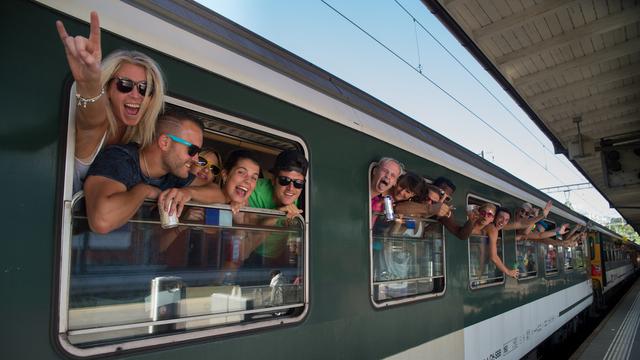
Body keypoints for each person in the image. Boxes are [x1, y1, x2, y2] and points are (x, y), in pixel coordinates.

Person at [57, 12, 166, 193]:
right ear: (107, 89)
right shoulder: (98, 126)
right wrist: (90, 83)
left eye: (144, 88)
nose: (135, 95)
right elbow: (91, 118)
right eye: (125, 85)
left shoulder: (139, 139)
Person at [83, 111, 204, 234]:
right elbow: (102, 221)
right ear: (165, 142)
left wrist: (188, 192)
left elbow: (219, 193)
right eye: (192, 150)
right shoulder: (119, 159)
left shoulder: (174, 171)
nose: (196, 160)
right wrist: (144, 190)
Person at [249, 149, 308, 218]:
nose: (291, 188)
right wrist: (277, 214)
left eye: (298, 183)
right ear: (273, 180)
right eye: (285, 180)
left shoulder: (305, 200)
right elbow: (247, 225)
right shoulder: (253, 190)